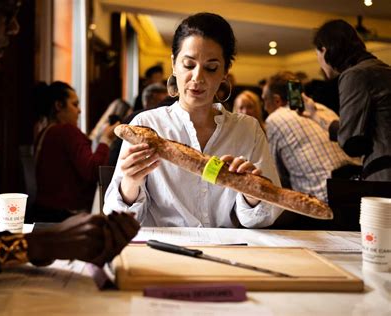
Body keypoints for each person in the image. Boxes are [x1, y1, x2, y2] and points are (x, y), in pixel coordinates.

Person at [0, 0, 139, 288]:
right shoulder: (63, 132)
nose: (15, 27)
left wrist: (44, 244)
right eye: (5, 11)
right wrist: (40, 244)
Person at [104, 12, 283, 228]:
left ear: (225, 72)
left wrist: (252, 192)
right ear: (174, 64)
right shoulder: (146, 126)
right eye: (189, 65)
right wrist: (131, 183)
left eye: (211, 68)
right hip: (165, 252)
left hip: (229, 253)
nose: (197, 77)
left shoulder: (248, 129)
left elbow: (265, 217)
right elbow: (117, 219)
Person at [308, 19, 391, 181]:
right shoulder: (382, 69)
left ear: (324, 50)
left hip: (384, 175)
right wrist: (315, 115)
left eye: (316, 53)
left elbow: (351, 142)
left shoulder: (354, 75)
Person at [262, 71, 360, 203]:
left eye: (264, 100)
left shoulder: (274, 119)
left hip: (320, 199)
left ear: (277, 100)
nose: (264, 106)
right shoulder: (322, 109)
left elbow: (276, 176)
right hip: (360, 186)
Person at [32, 81, 118, 222]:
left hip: (42, 211)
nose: (79, 111)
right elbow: (93, 171)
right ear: (59, 105)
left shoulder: (44, 133)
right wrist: (105, 140)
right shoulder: (67, 131)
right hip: (64, 215)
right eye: (75, 104)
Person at [108, 83, 168, 166]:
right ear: (147, 102)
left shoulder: (134, 117)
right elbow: (116, 155)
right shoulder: (137, 120)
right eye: (160, 103)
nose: (164, 107)